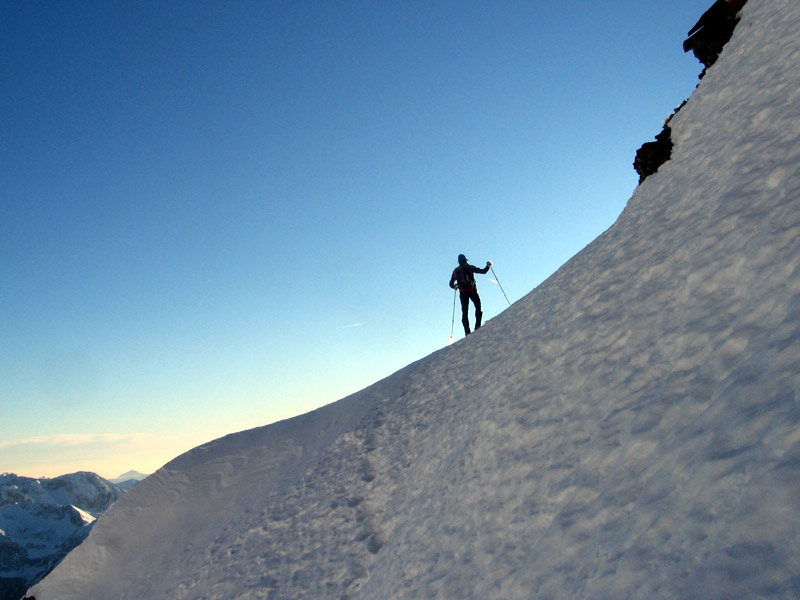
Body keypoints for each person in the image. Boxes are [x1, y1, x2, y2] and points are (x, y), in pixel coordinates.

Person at [449, 254, 492, 336]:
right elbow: (483, 271)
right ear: (466, 260)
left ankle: (467, 332)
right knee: (478, 306)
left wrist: (455, 286)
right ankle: (478, 326)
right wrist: (488, 266)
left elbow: (451, 283)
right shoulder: (470, 267)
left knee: (465, 312)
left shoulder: (456, 271)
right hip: (472, 291)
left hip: (463, 293)